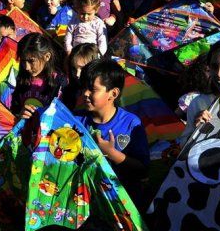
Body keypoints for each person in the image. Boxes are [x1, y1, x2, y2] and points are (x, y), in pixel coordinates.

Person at [76, 59, 149, 205]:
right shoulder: (76, 120)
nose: (85, 93)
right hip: (87, 202)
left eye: (92, 89)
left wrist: (112, 153)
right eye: (84, 87)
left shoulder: (131, 124)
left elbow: (143, 169)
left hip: (122, 204)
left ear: (113, 93)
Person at [14, 33, 66, 116]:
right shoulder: (22, 78)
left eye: (31, 61)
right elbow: (15, 107)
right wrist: (19, 114)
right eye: (23, 61)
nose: (27, 67)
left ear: (47, 56)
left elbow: (62, 115)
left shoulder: (59, 82)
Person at [62, 43, 101, 109]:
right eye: (74, 68)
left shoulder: (103, 93)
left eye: (82, 68)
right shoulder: (69, 90)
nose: (77, 74)